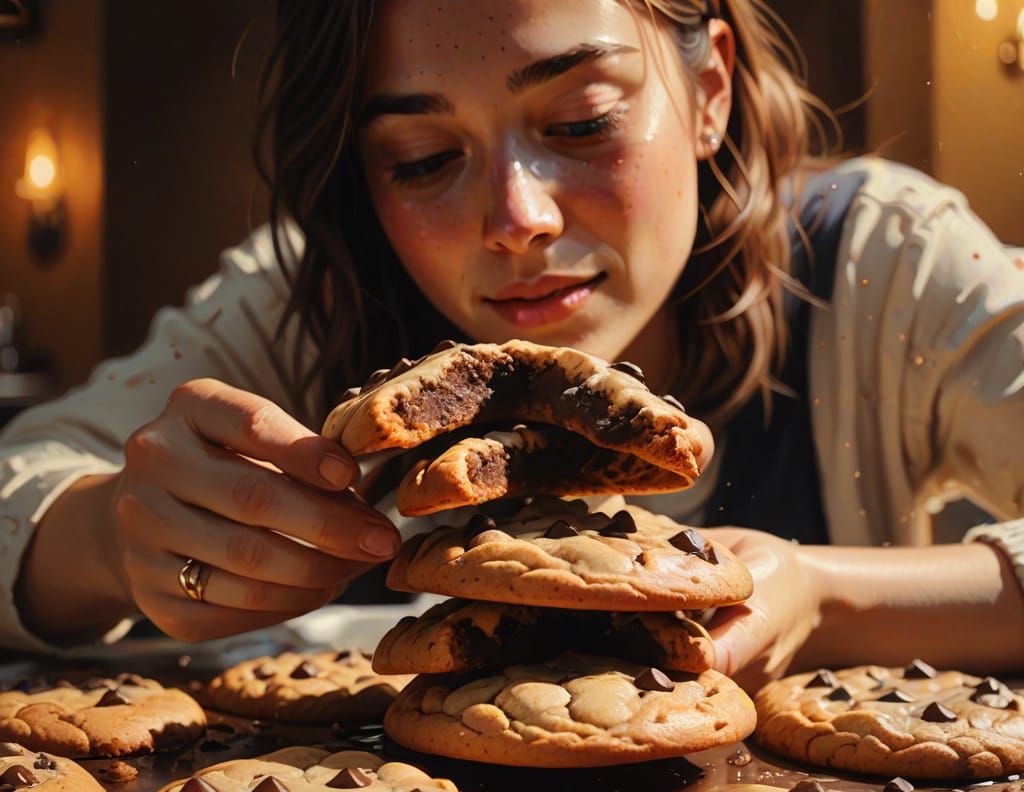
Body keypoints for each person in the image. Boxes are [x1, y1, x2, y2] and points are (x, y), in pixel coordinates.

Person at [1, 0, 1021, 691]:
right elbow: (24, 484)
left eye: (579, 122)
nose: (515, 216)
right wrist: (104, 539)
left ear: (708, 87)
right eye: (424, 157)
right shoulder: (308, 297)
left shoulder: (879, 265)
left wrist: (827, 593)